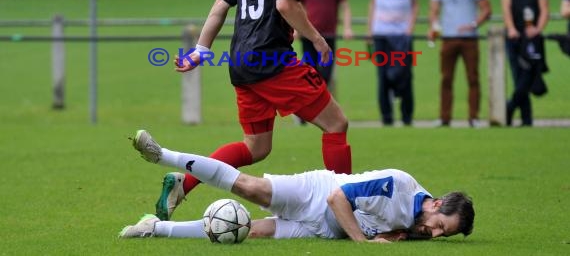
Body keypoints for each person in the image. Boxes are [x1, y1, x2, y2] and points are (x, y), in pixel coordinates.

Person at [153, 0, 352, 222]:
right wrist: (317, 39)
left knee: (256, 148)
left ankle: (182, 183)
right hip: (272, 61)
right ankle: (342, 208)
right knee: (336, 123)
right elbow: (286, 4)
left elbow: (219, 7)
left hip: (241, 64)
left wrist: (201, 50)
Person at [120, 130, 475, 242]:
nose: (436, 234)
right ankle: (161, 154)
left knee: (244, 231)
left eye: (445, 234)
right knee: (248, 187)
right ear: (436, 203)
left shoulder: (416, 228)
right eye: (440, 225)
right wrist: (364, 243)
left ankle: (155, 229)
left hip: (321, 230)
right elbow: (338, 198)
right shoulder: (398, 184)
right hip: (317, 193)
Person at [428, 0, 491, 128]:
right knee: (446, 79)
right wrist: (433, 26)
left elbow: (486, 10)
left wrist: (473, 24)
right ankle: (444, 117)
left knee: (472, 78)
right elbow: (433, 10)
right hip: (447, 38)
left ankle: (474, 117)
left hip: (469, 39)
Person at [368, 0, 419, 126]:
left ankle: (407, 117)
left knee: (405, 76)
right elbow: (373, 3)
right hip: (381, 33)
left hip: (402, 34)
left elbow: (415, 3)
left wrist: (410, 29)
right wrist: (370, 30)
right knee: (383, 78)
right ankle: (387, 118)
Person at [500, 0, 549, 127]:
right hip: (514, 38)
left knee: (528, 76)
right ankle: (526, 120)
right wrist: (511, 28)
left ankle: (510, 106)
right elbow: (505, 7)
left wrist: (538, 29)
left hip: (532, 40)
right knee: (518, 75)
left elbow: (544, 9)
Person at [300, 0, 353, 86]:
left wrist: (347, 28)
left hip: (329, 36)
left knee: (326, 75)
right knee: (310, 74)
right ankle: (314, 105)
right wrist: (295, 29)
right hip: (309, 36)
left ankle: (324, 104)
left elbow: (345, 6)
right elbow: (299, 9)